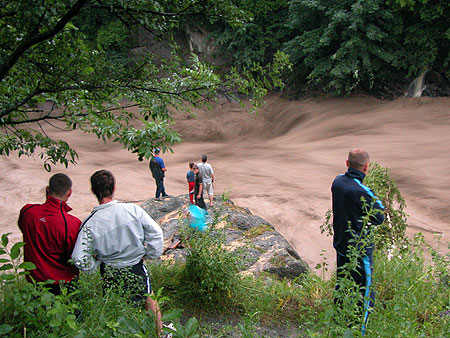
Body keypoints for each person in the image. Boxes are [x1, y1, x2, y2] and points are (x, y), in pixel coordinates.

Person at [71, 170, 164, 333]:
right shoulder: (132, 210)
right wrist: (149, 254)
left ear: (93, 190)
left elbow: (79, 257)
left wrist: (95, 264)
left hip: (109, 269)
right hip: (135, 264)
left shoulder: (91, 223)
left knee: (113, 303)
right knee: (148, 296)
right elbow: (156, 233)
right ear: (114, 188)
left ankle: (120, 333)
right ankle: (159, 333)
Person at [331, 148, 385, 333]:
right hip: (360, 250)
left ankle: (337, 325)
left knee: (343, 285)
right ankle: (359, 332)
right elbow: (379, 216)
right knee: (365, 292)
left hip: (341, 244)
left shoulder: (337, 182)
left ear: (347, 163)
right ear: (366, 167)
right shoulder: (362, 191)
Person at [18, 173, 81, 295]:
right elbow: (74, 254)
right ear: (70, 193)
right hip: (64, 285)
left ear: (47, 189)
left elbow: (23, 229)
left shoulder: (27, 212)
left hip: (34, 283)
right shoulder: (72, 223)